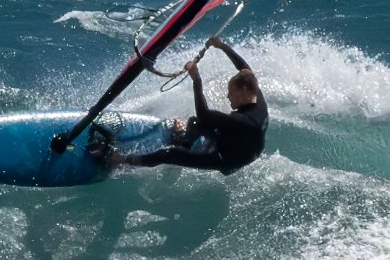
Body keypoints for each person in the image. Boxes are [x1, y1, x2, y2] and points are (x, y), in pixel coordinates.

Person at [93, 38, 267, 174]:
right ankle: (184, 142)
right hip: (242, 143)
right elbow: (245, 69)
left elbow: (204, 115)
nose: (228, 96)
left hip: (228, 159)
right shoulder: (255, 97)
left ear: (243, 90)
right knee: (194, 124)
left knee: (167, 155)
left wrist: (196, 79)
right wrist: (222, 46)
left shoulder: (243, 121)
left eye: (232, 92)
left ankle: (120, 159)